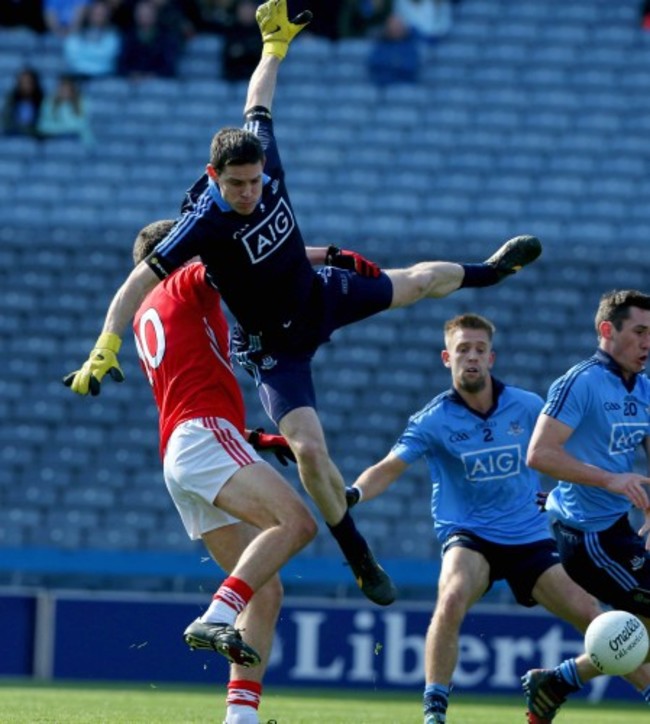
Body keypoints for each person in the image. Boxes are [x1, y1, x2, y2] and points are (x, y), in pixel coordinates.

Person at [63, 0, 542, 608]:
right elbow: (138, 281)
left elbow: (258, 101)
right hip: (273, 348)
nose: (246, 192)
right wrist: (106, 343)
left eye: (253, 182)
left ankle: (491, 271)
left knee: (417, 281)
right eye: (234, 183)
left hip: (317, 295)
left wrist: (273, 47)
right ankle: (359, 555)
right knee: (311, 452)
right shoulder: (201, 223)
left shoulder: (265, 161)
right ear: (213, 176)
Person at [347, 313, 650, 724]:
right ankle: (434, 711)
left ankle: (606, 685)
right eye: (462, 350)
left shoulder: (527, 405)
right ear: (446, 358)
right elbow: (388, 467)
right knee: (451, 597)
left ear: (492, 358)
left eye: (479, 349)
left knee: (601, 624)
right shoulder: (432, 419)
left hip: (529, 537)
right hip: (470, 535)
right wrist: (355, 493)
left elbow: (567, 450)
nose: (471, 357)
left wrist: (563, 496)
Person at [129, 219, 317, 724]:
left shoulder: (147, 310)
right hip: (203, 436)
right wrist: (329, 257)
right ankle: (215, 614)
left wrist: (251, 437)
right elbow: (255, 263)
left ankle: (240, 717)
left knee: (266, 586)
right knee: (297, 524)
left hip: (182, 451)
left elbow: (190, 386)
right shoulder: (181, 281)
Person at [522, 288, 650, 723]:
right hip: (585, 535)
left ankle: (559, 680)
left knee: (640, 629)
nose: (647, 343)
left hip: (617, 530)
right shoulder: (580, 382)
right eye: (639, 332)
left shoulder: (644, 389)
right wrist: (612, 478)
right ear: (606, 331)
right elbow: (540, 454)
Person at [63, 0, 122, 80]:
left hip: (105, 77)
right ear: (89, 14)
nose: (98, 16)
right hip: (78, 75)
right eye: (96, 13)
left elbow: (107, 55)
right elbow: (71, 52)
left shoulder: (113, 34)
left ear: (107, 15)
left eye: (101, 14)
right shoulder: (78, 33)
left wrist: (85, 51)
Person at [37, 74, 93, 145]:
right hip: (54, 139)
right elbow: (43, 125)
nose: (65, 91)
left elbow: (81, 125)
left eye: (68, 88)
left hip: (75, 140)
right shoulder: (49, 102)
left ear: (73, 89)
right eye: (63, 88)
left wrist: (61, 127)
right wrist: (63, 129)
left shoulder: (83, 103)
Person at [2, 66, 44, 138]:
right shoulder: (11, 100)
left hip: (35, 135)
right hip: (14, 134)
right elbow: (6, 119)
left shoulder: (42, 100)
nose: (26, 85)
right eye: (23, 82)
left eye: (29, 82)